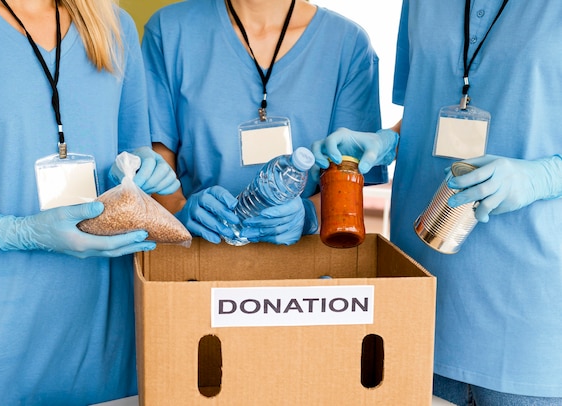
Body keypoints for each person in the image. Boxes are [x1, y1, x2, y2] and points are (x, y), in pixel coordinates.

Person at [311, 1, 562, 404]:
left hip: (529, 320)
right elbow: (426, 106)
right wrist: (387, 141)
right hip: (418, 299)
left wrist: (544, 177)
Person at [0, 1, 179, 405]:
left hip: (103, 336)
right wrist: (16, 232)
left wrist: (141, 170)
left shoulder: (112, 27)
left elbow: (128, 148)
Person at [141, 0, 389, 246]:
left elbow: (348, 181)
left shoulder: (347, 44)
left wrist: (308, 216)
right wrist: (179, 211)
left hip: (308, 264)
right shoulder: (169, 31)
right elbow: (157, 156)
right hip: (197, 257)